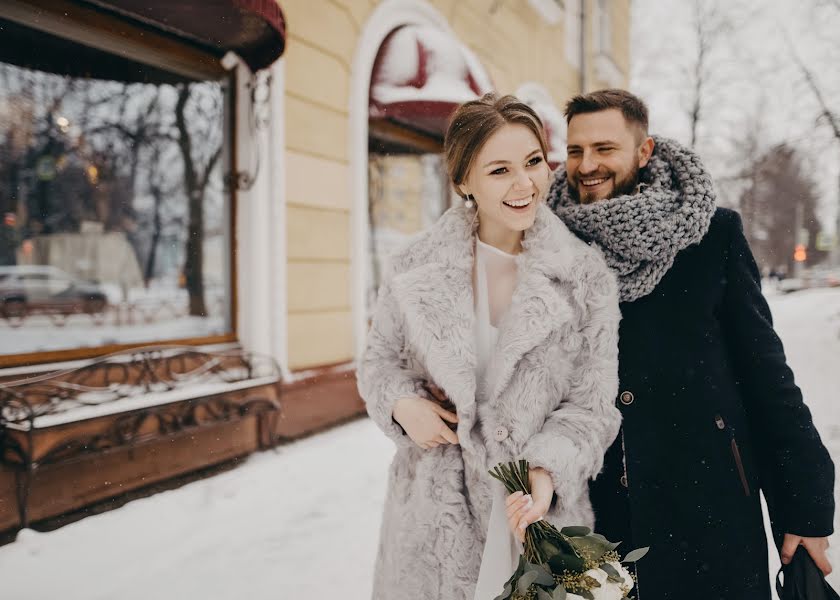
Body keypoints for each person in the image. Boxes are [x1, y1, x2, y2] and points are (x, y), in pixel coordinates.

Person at [546, 88, 836, 599]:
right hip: (592, 519)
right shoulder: (545, 247)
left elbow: (767, 377)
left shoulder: (711, 237)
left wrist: (804, 507)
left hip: (709, 511)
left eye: (604, 149)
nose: (587, 165)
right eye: (575, 150)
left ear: (644, 151)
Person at [357, 93, 622, 600]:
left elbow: (592, 408)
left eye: (533, 163)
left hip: (535, 521)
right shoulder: (414, 267)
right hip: (434, 524)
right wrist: (400, 403)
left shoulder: (586, 278)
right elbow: (379, 362)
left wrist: (547, 471)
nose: (525, 184)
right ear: (464, 182)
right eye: (500, 170)